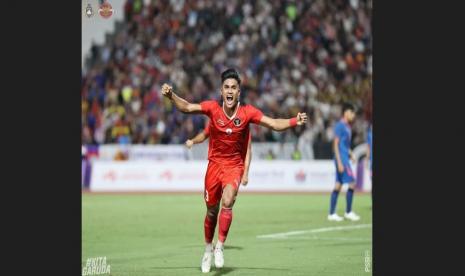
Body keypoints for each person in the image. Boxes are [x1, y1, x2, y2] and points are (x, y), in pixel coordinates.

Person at [161, 68, 307, 273]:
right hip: (214, 166)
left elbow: (273, 123)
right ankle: (208, 249)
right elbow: (186, 107)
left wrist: (294, 121)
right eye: (226, 87)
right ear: (221, 91)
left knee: (228, 201)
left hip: (233, 167)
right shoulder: (212, 108)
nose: (230, 91)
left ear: (239, 92)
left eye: (234, 88)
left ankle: (220, 246)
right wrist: (171, 96)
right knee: (211, 210)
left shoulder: (248, 113)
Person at [186, 121, 252, 187]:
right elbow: (204, 134)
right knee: (213, 196)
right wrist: (193, 141)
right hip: (215, 166)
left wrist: (245, 173)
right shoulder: (216, 119)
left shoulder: (243, 125)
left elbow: (248, 150)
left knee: (228, 195)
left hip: (233, 167)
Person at [328, 103, 361, 222]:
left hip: (344, 158)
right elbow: (335, 144)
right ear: (346, 112)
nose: (353, 116)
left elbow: (345, 145)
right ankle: (348, 212)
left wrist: (351, 153)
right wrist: (340, 161)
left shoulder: (348, 127)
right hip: (341, 159)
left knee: (338, 185)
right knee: (352, 183)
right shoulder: (340, 126)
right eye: (352, 113)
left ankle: (331, 214)